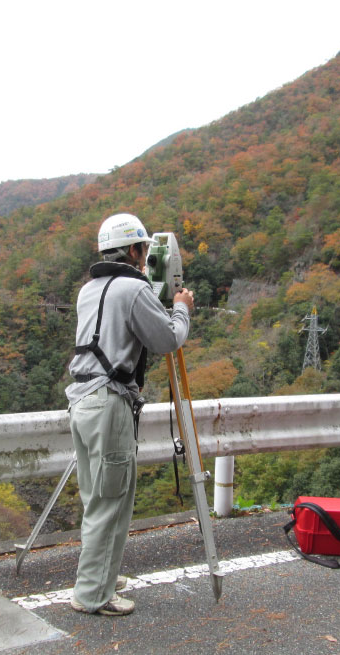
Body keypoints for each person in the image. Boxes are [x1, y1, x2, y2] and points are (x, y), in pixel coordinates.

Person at [66, 212, 195, 615]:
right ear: (137, 250)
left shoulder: (88, 291)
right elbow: (168, 339)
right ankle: (93, 595)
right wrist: (181, 308)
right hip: (109, 403)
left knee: (97, 497)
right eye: (143, 250)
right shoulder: (134, 290)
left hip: (82, 402)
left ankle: (100, 574)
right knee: (112, 499)